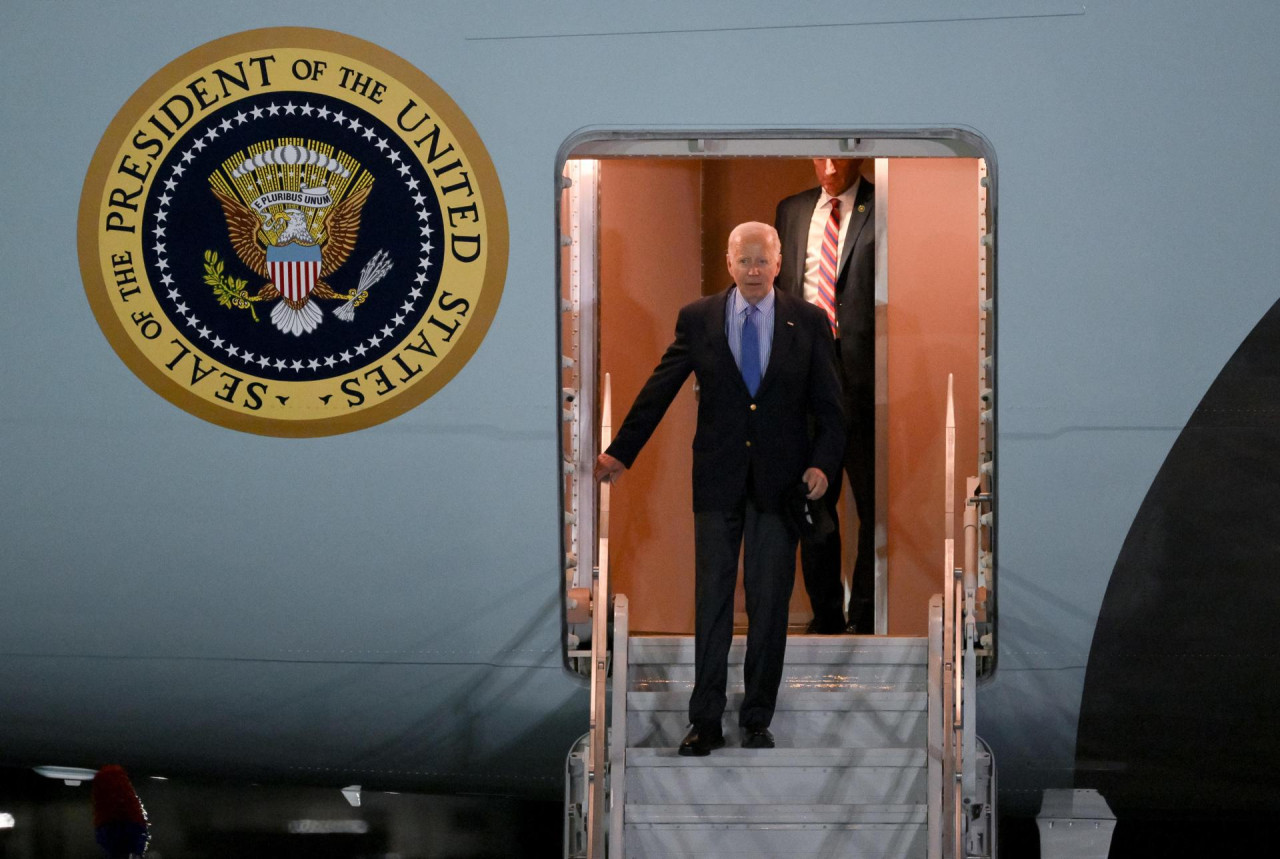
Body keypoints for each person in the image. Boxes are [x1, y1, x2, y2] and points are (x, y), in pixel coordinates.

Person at [595, 222, 845, 755]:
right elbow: (660, 387)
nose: (753, 271)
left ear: (779, 263)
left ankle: (756, 716)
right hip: (716, 482)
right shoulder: (699, 318)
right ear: (729, 264)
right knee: (712, 600)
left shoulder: (810, 320)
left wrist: (823, 465)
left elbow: (833, 411)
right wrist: (621, 451)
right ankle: (704, 720)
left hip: (782, 488)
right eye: (744, 261)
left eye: (763, 261)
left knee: (769, 602)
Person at [774, 158, 877, 634]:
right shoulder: (792, 210)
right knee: (814, 499)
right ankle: (828, 615)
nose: (829, 167)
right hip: (806, 373)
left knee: (874, 499)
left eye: (838, 156)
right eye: (819, 156)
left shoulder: (883, 206)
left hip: (867, 374)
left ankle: (866, 612)